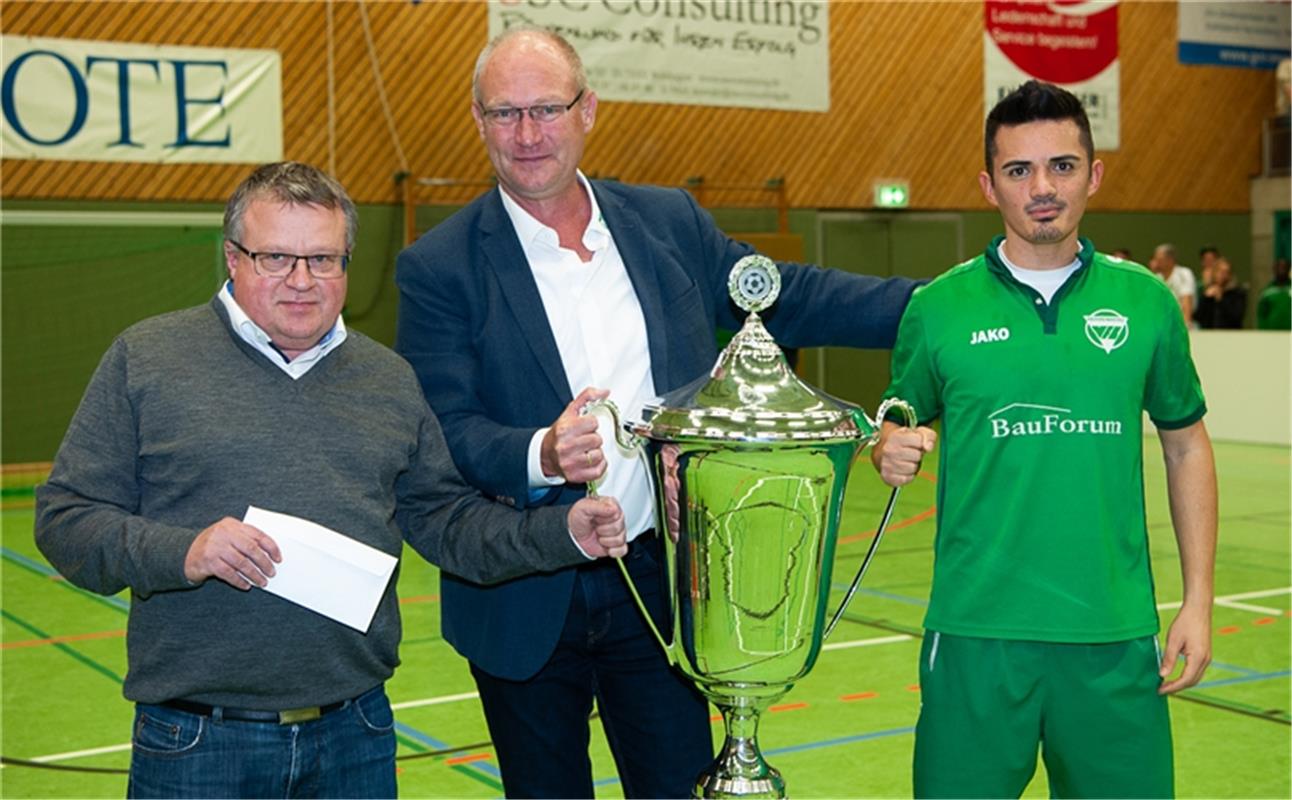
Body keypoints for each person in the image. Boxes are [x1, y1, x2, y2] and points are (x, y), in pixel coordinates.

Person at [394, 26, 920, 799]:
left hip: (663, 582)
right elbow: (445, 432)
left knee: (679, 787)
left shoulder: (668, 223)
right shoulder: (438, 265)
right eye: (505, 114)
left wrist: (940, 305)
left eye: (547, 108)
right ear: (478, 122)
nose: (528, 134)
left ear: (588, 111)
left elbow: (787, 295)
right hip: (523, 590)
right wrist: (543, 451)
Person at [34, 161, 628, 800]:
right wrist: (185, 552)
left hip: (356, 736)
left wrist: (561, 531)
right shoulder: (147, 358)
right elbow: (65, 520)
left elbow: (450, 523)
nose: (300, 281)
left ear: (346, 266)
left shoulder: (388, 380)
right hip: (198, 744)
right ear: (232, 258)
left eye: (323, 260)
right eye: (275, 258)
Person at [873, 81, 1217, 798]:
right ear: (988, 184)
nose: (1042, 188)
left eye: (1061, 166)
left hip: (1114, 638)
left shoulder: (1146, 303)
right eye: (1018, 170)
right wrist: (885, 448)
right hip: (974, 636)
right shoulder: (937, 310)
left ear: (1094, 175)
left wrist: (1198, 599)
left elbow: (1185, 444)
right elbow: (897, 423)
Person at [1150, 242, 1197, 327]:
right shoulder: (1156, 277)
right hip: (1163, 321)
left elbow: (1187, 300)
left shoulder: (1184, 273)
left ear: (1170, 260)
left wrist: (1186, 324)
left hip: (1180, 321)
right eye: (1155, 259)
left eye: (1159, 260)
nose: (1156, 263)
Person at [1196, 256, 1248, 329]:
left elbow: (1236, 317)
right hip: (1208, 334)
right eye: (1220, 271)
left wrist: (1220, 300)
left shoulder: (1238, 293)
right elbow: (1198, 317)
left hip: (1231, 334)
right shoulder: (1208, 292)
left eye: (1226, 272)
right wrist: (1206, 298)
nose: (1222, 275)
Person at [1256, 257, 1291, 330]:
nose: (1282, 270)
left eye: (1284, 267)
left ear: (1289, 269)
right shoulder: (1267, 292)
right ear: (1274, 269)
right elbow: (1261, 315)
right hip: (1272, 333)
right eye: (1279, 267)